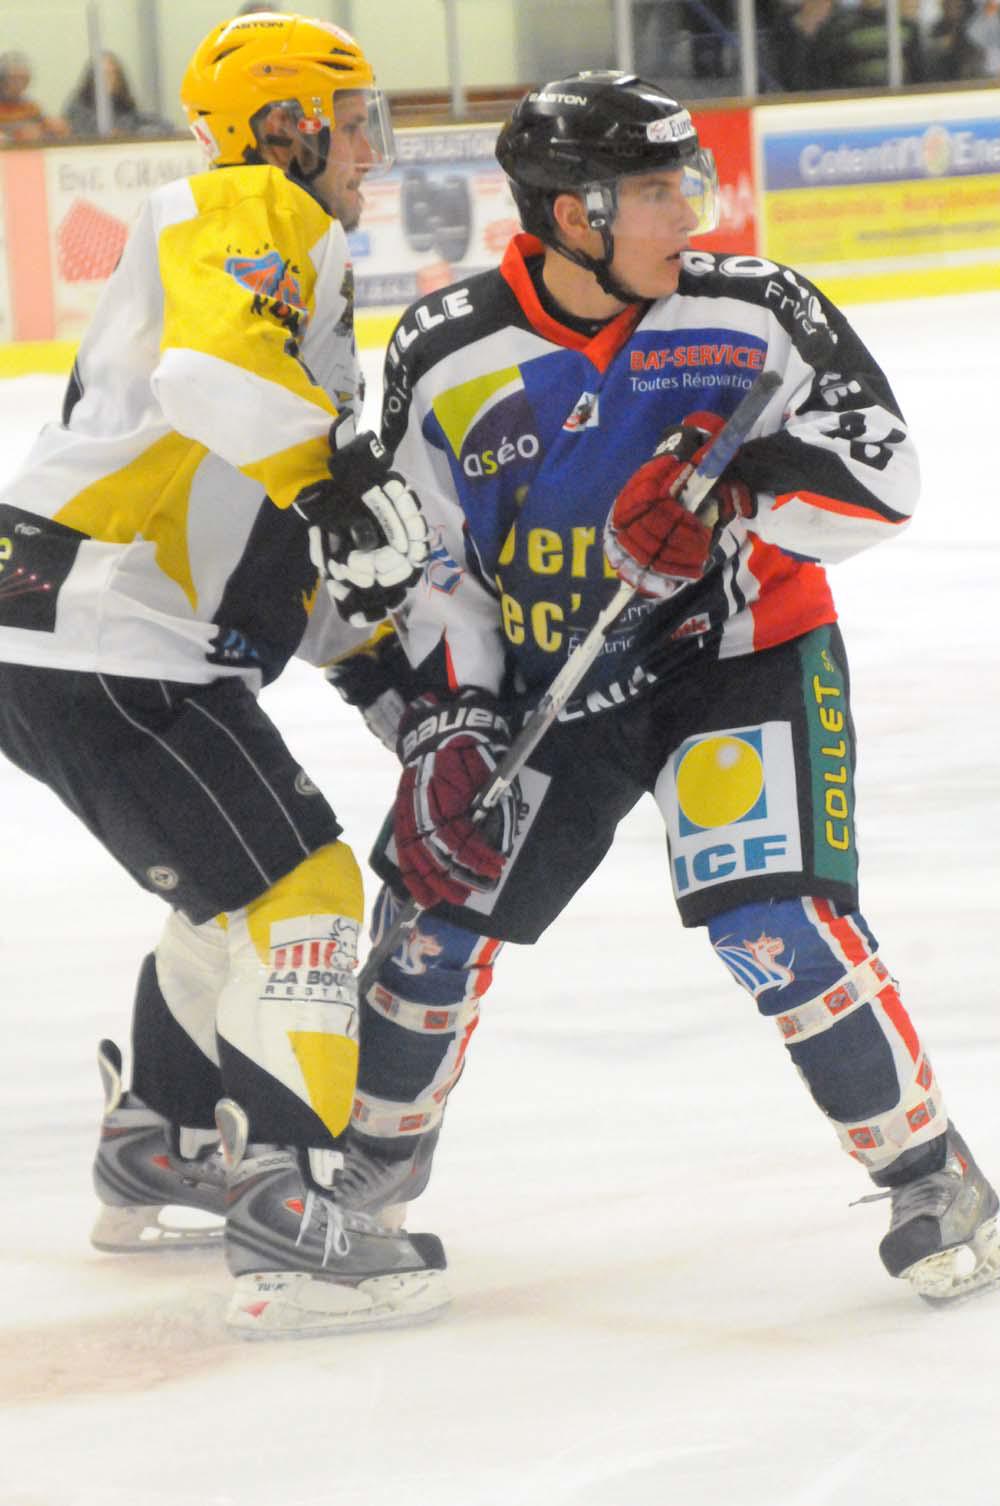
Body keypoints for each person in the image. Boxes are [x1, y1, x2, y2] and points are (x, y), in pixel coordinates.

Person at [349, 71, 1000, 1309]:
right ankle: (367, 1176)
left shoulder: (755, 308)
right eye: (654, 190)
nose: (689, 213)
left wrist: (740, 489)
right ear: (571, 214)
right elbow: (437, 566)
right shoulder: (443, 352)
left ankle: (931, 1173)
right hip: (552, 684)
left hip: (737, 657)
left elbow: (885, 477)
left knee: (773, 922)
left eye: (685, 180)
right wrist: (456, 717)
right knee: (431, 919)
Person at [0, 12, 444, 1339]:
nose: (372, 150)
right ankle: (288, 1190)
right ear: (283, 125)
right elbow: (211, 379)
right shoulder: (249, 204)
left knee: (227, 897)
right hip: (108, 635)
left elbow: (259, 511)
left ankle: (163, 1140)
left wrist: (379, 672)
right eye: (352, 122)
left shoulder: (283, 260)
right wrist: (341, 482)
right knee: (306, 886)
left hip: (73, 628)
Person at [63, 51, 174, 140]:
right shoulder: (78, 106)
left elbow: (165, 127)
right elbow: (73, 134)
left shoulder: (125, 106)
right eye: (102, 74)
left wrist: (129, 135)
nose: (108, 80)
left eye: (112, 74)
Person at [0, 50, 67, 144]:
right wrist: (14, 138)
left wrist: (53, 129)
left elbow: (44, 130)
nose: (19, 84)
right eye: (13, 78)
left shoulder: (30, 107)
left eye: (23, 79)